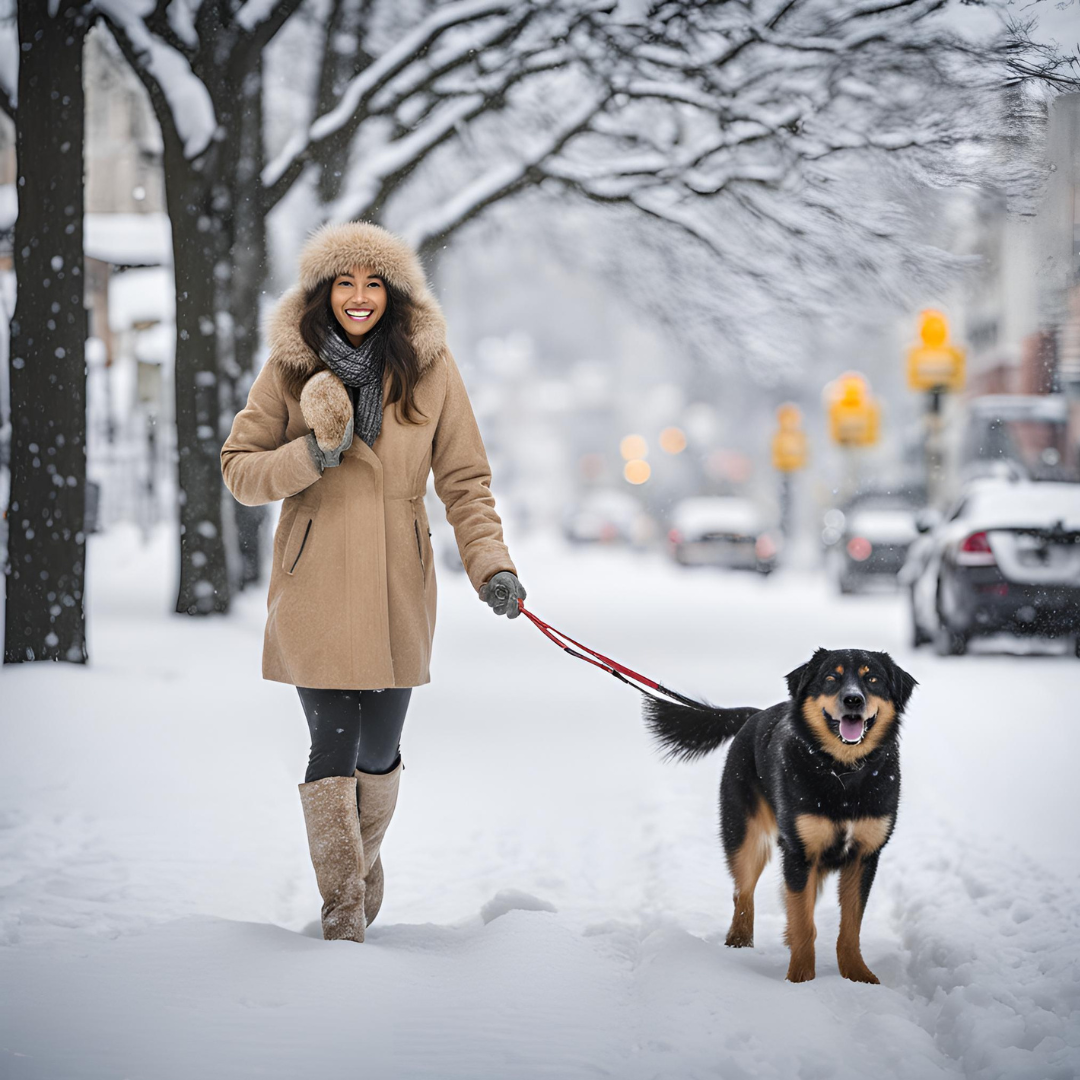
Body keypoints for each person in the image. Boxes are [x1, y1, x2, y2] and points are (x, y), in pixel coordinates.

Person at [221, 221, 525, 943]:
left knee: (376, 756)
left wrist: (493, 566)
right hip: (314, 583)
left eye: (374, 282)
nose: (359, 297)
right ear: (324, 292)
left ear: (394, 293)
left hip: (397, 584)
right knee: (331, 750)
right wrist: (309, 455)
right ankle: (343, 916)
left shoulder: (431, 368)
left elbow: (465, 482)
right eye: (345, 283)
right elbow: (239, 469)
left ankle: (356, 873)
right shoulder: (288, 369)